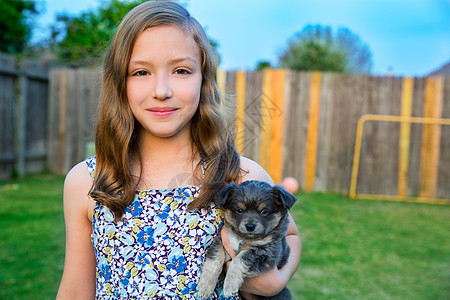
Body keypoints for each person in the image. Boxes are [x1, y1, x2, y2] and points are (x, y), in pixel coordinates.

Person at [56, 1, 301, 299]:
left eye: (181, 70)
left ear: (204, 79)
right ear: (119, 82)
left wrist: (275, 281)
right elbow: (75, 290)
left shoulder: (238, 174)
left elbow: (289, 234)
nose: (161, 90)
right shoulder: (88, 181)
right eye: (141, 72)